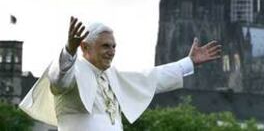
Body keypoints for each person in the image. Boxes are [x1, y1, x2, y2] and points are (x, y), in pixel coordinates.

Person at [20, 17, 221, 130]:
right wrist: (68, 51)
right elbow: (58, 81)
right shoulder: (73, 70)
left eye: (114, 46)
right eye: (105, 46)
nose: (112, 51)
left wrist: (189, 62)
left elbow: (152, 78)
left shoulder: (112, 75)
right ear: (84, 47)